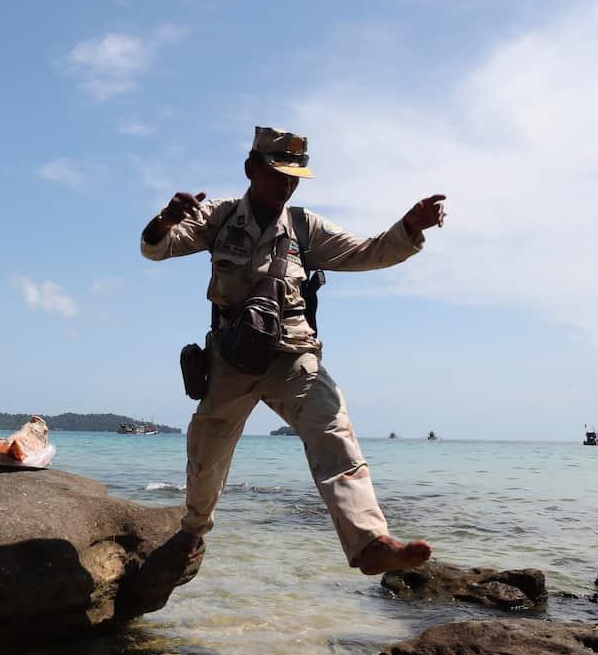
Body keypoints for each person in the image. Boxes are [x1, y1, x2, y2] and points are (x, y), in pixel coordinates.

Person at [141, 126, 446, 575]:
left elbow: (368, 252)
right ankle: (193, 529)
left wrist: (409, 228)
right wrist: (166, 218)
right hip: (232, 357)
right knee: (206, 449)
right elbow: (155, 248)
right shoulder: (219, 217)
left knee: (334, 431)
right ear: (251, 169)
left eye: (294, 176)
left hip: (293, 354)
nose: (287, 184)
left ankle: (370, 543)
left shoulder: (306, 227)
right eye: (277, 173)